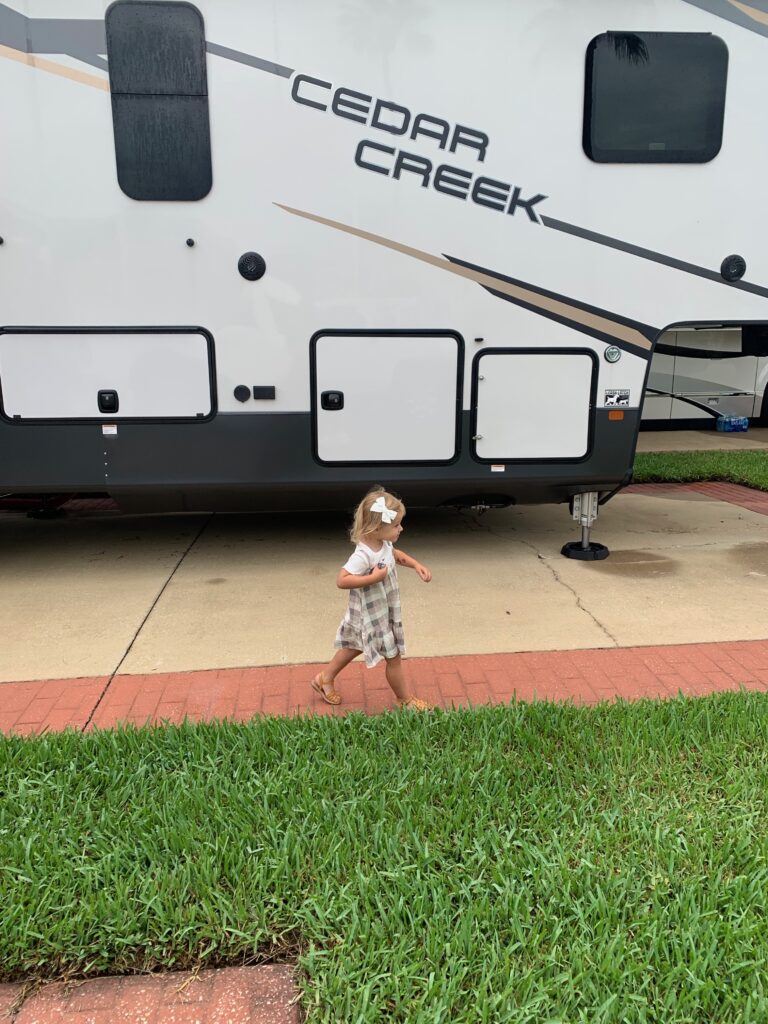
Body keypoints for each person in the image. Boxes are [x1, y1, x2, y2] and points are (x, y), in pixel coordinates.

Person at [311, 487, 433, 711]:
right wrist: (374, 577)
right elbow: (342, 579)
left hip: (381, 609)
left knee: (354, 645)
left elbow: (395, 554)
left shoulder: (383, 543)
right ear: (377, 528)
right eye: (396, 525)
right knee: (393, 656)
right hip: (370, 612)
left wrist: (416, 565)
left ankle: (324, 679)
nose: (401, 528)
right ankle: (404, 700)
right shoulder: (363, 554)